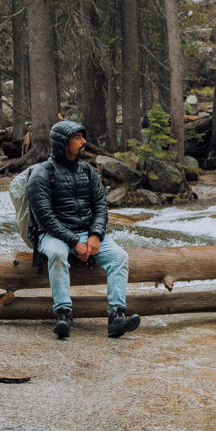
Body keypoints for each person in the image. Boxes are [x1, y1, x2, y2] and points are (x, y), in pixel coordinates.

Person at [27, 120, 140, 339]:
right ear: (63, 143)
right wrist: (74, 242)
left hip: (86, 233)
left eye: (82, 136)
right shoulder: (41, 173)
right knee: (58, 254)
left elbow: (100, 206)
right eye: (77, 138)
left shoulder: (87, 171)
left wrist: (96, 235)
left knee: (119, 257)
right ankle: (63, 314)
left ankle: (116, 317)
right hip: (51, 235)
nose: (84, 142)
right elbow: (45, 218)